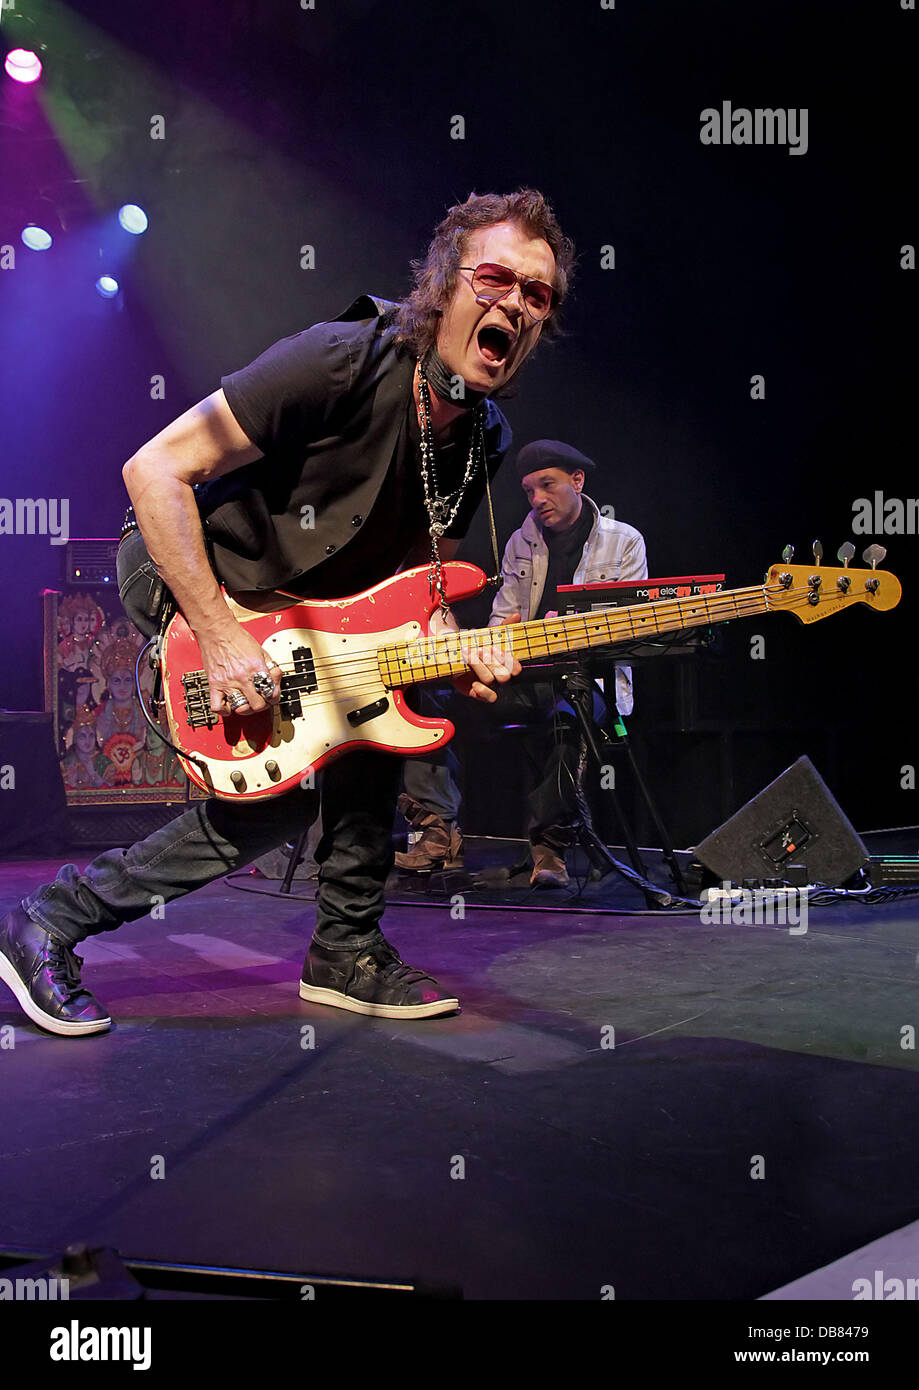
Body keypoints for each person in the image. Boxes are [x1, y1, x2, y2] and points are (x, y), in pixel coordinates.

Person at [0, 190, 574, 1036]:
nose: (516, 307)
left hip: (322, 603)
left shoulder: (482, 434)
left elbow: (419, 568)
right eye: (496, 279)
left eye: (538, 295)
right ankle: (48, 919)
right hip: (198, 568)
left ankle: (345, 948)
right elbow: (154, 473)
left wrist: (451, 645)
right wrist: (224, 639)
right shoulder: (340, 360)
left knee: (373, 729)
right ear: (443, 287)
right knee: (273, 792)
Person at [396, 439, 647, 886]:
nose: (537, 499)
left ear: (577, 480)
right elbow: (503, 615)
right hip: (523, 674)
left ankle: (549, 848)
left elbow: (628, 626)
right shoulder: (521, 539)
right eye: (529, 491)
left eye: (547, 486)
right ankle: (438, 832)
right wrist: (502, 634)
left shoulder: (623, 541)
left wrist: (565, 628)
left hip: (586, 678)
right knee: (422, 699)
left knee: (572, 716)